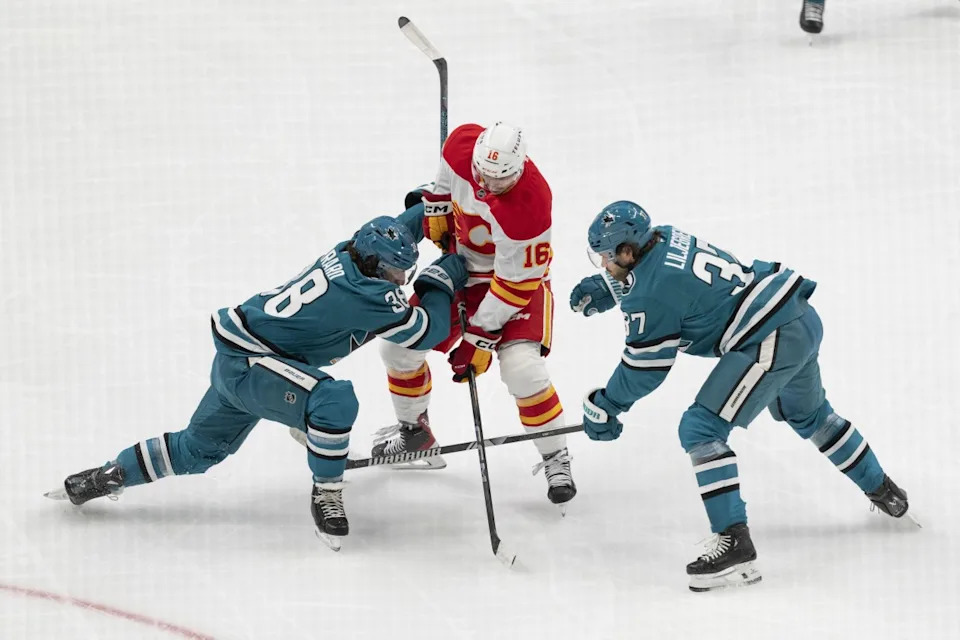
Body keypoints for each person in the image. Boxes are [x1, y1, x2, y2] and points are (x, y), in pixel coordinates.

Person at [45, 205, 468, 551]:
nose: (402, 282)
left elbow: (399, 229)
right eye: (398, 274)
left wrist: (430, 207)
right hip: (256, 368)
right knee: (333, 400)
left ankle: (106, 476)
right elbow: (427, 330)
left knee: (197, 450)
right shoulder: (370, 296)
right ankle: (327, 495)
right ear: (376, 266)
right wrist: (445, 273)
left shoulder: (350, 254)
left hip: (242, 358)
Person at [570, 200, 913, 591]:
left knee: (700, 429)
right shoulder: (664, 234)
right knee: (812, 416)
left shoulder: (650, 295)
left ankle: (735, 545)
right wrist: (612, 288)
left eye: (607, 259)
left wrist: (608, 404)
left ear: (628, 252)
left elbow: (645, 368)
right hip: (796, 316)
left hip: (770, 337)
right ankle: (886, 492)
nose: (603, 265)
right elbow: (677, 283)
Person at [372, 122, 576, 509]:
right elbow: (445, 181)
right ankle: (415, 434)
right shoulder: (462, 144)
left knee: (522, 369)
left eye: (500, 181)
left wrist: (477, 339)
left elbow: (515, 285)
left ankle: (555, 456)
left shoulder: (530, 205)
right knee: (397, 349)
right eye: (483, 174)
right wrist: (436, 209)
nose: (487, 185)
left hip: (512, 285)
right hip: (460, 271)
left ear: (520, 169)